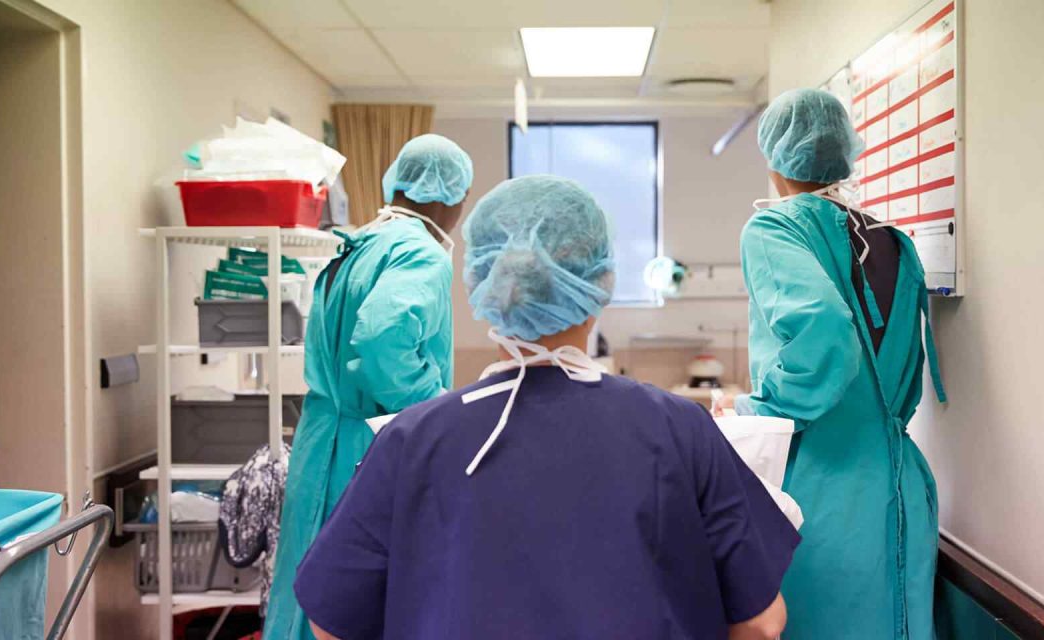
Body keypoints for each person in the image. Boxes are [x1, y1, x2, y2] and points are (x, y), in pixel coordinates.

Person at [292, 175, 799, 640]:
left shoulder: (411, 439)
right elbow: (760, 622)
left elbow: (331, 622)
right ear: (599, 285)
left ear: (481, 284)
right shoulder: (679, 428)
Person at [716, 88, 947, 639]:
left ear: (775, 160)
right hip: (901, 488)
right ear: (845, 154)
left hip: (822, 492)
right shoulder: (894, 242)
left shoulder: (775, 229)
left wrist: (756, 412)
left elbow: (825, 339)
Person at [265, 134, 474, 640]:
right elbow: (382, 339)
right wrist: (434, 410)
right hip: (368, 447)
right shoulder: (420, 254)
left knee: (305, 586)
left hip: (320, 441)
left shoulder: (362, 244)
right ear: (452, 197)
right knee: (352, 602)